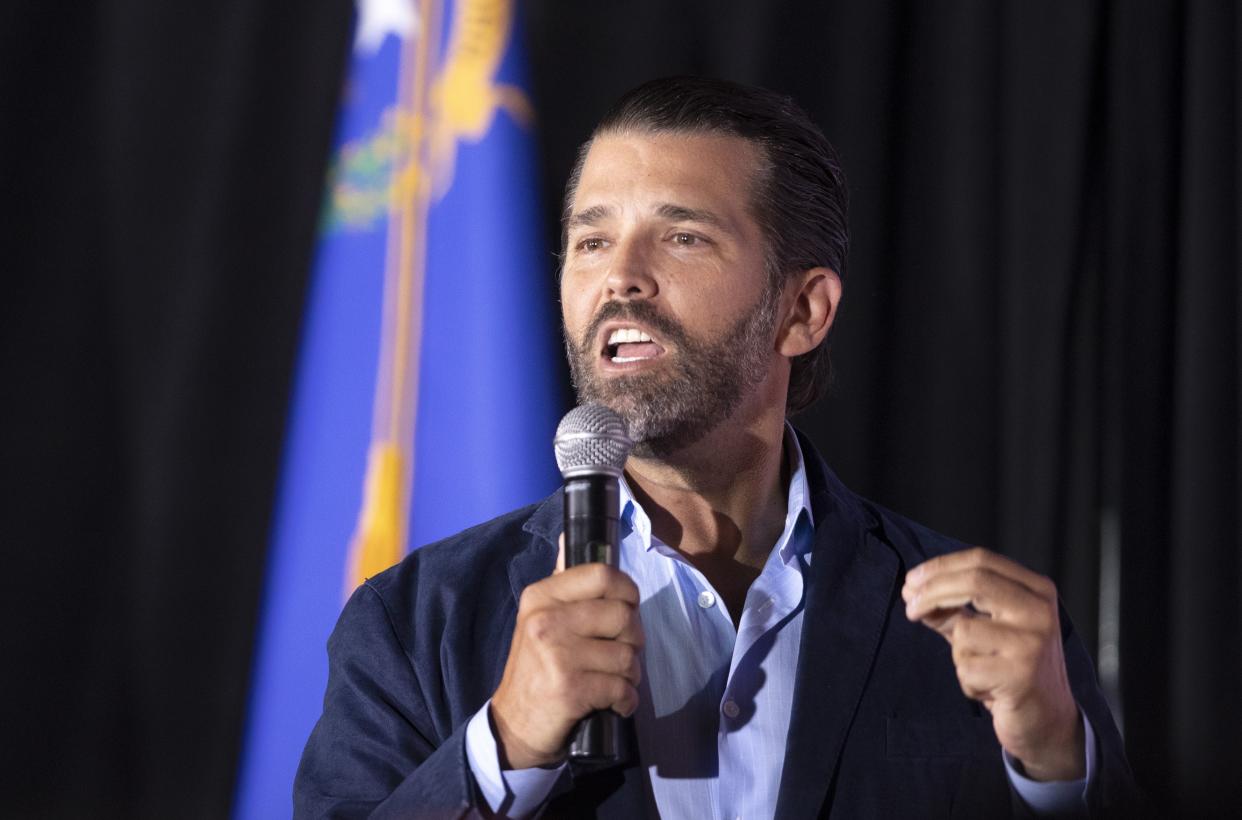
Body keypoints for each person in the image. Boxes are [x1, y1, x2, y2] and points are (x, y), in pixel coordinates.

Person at [295, 76, 1144, 818]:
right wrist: (506, 744)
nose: (620, 275)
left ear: (804, 311)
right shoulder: (414, 622)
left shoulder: (968, 624)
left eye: (682, 236)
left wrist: (1058, 767)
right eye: (592, 240)